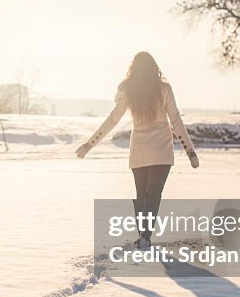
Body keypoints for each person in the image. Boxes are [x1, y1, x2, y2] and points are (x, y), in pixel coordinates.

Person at [75, 51, 199, 249]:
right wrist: (190, 151)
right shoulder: (162, 89)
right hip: (160, 150)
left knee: (142, 194)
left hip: (140, 149)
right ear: (154, 68)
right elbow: (175, 120)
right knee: (152, 193)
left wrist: (90, 144)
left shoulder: (131, 92)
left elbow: (112, 120)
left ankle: (143, 236)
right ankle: (145, 236)